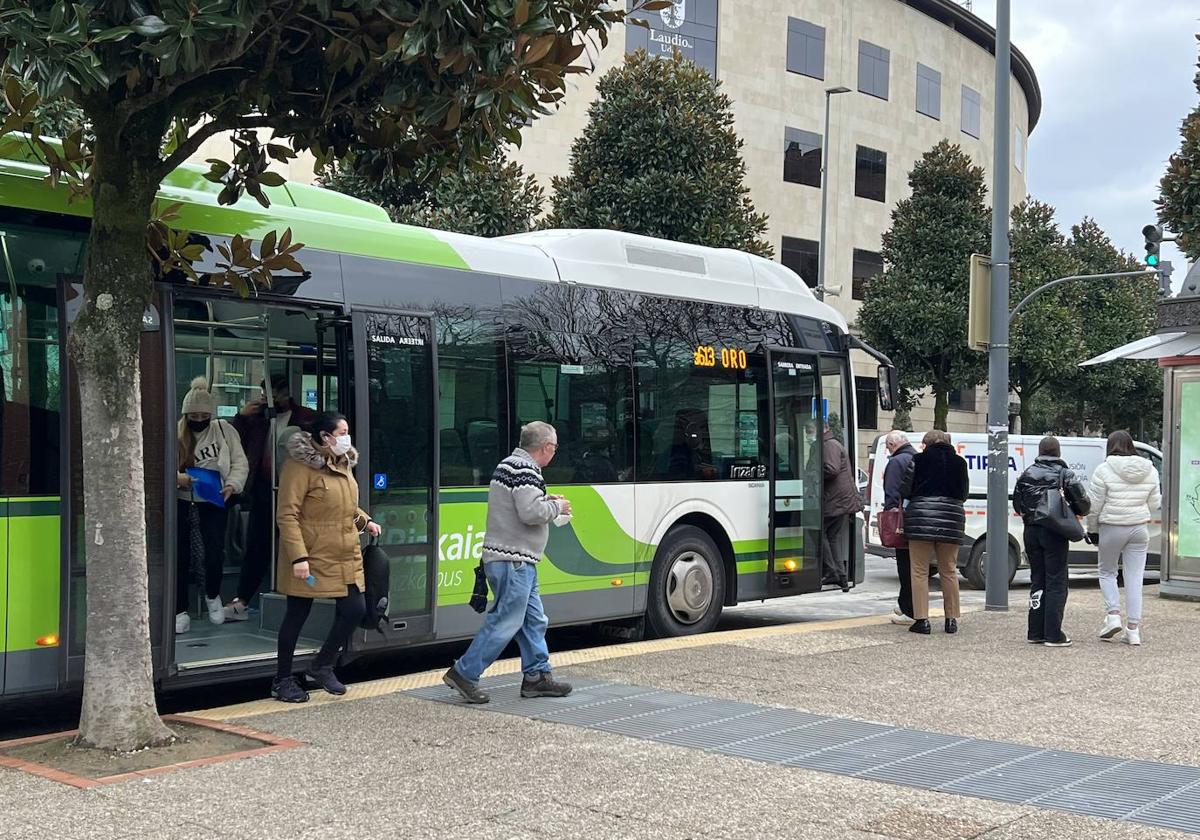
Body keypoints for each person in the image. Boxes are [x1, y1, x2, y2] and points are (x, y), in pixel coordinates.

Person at [443, 421, 574, 704]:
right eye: (555, 447)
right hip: (513, 559)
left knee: (533, 620)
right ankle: (464, 672)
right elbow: (529, 512)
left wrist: (545, 500)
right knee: (506, 620)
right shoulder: (525, 470)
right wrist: (556, 507)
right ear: (546, 448)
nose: (555, 452)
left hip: (514, 559)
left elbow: (521, 505)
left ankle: (537, 676)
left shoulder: (509, 466)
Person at [272, 412, 381, 703]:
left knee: (355, 609)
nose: (347, 438)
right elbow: (287, 514)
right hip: (310, 555)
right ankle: (282, 679)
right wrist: (298, 557)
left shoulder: (343, 463)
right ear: (324, 437)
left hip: (343, 553)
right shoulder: (299, 467)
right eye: (342, 432)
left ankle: (322, 664)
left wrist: (364, 522)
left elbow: (345, 508)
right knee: (297, 614)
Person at [225, 376, 318, 622]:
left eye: (276, 394)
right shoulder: (257, 419)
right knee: (257, 544)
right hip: (264, 487)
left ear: (287, 393)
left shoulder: (305, 417)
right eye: (266, 394)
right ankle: (243, 599)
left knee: (294, 544)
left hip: (296, 489)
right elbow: (235, 442)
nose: (271, 399)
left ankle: (298, 596)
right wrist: (242, 417)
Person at [175, 377, 248, 634]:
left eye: (203, 414)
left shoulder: (224, 431)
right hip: (182, 501)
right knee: (180, 555)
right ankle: (179, 608)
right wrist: (178, 478)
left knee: (214, 551)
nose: (198, 419)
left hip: (216, 499)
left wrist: (233, 485)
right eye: (193, 414)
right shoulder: (176, 432)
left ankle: (213, 595)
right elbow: (161, 467)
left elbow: (240, 462)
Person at [1012, 436, 1091, 647]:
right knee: (1056, 581)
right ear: (1058, 452)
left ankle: (1035, 631)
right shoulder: (1065, 474)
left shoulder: (1026, 474)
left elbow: (1017, 505)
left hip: (1031, 531)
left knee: (1037, 578)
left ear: (1040, 452)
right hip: (1054, 532)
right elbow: (1083, 503)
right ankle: (1053, 634)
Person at [1087, 430, 1161, 647]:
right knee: (1135, 578)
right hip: (1139, 529)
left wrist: (1093, 530)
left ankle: (1113, 616)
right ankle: (1134, 630)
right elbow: (1154, 503)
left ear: (1110, 446)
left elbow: (1095, 506)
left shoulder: (1103, 469)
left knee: (1107, 571)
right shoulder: (1150, 469)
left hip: (1112, 527)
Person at [900, 430, 967, 635]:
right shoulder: (960, 463)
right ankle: (951, 620)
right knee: (948, 570)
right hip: (951, 519)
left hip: (921, 518)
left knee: (919, 571)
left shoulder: (918, 460)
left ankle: (922, 620)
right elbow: (963, 493)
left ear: (926, 444)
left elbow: (905, 489)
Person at [881, 430, 917, 625]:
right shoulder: (916, 457)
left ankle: (908, 608)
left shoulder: (896, 462)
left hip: (903, 521)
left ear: (893, 445)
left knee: (905, 565)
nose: (887, 451)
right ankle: (907, 604)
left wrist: (890, 516)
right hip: (917, 519)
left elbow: (892, 493)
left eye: (888, 447)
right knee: (916, 566)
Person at [820, 424, 861, 591]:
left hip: (835, 500)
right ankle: (841, 576)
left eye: (810, 431)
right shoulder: (833, 443)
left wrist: (812, 473)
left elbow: (831, 469)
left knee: (818, 533)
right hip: (841, 500)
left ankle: (832, 572)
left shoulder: (828, 444)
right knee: (832, 537)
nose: (809, 435)